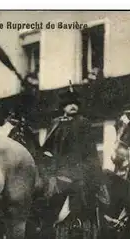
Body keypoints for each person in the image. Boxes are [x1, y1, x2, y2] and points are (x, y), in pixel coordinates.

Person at [42, 82, 101, 225]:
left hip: (78, 173)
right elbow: (46, 149)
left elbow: (90, 151)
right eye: (69, 104)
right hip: (57, 173)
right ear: (63, 106)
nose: (73, 106)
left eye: (75, 103)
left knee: (78, 211)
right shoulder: (56, 123)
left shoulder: (83, 123)